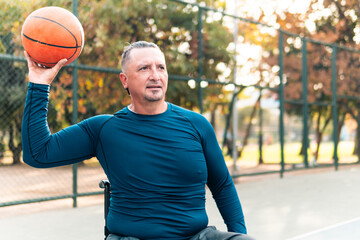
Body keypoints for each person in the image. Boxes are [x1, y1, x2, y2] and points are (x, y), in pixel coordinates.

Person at [22, 41, 253, 240]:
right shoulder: (103, 129)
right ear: (125, 80)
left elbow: (222, 186)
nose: (155, 75)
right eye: (144, 68)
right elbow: (38, 153)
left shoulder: (197, 124)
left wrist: (239, 233)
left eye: (160, 67)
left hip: (195, 236)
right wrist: (40, 84)